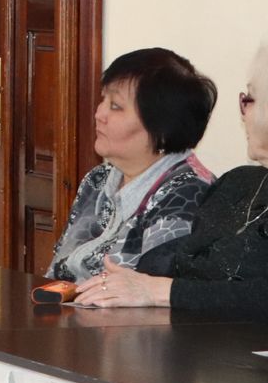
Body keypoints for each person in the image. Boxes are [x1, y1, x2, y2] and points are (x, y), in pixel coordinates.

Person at [74, 41, 268, 342]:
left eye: (250, 100)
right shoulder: (237, 183)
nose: (243, 113)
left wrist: (159, 291)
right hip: (194, 356)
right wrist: (128, 280)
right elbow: (177, 262)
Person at [47, 48, 216, 282]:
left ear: (162, 129)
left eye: (115, 106)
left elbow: (150, 294)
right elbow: (58, 271)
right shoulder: (98, 179)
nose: (99, 114)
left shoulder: (188, 192)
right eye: (103, 99)